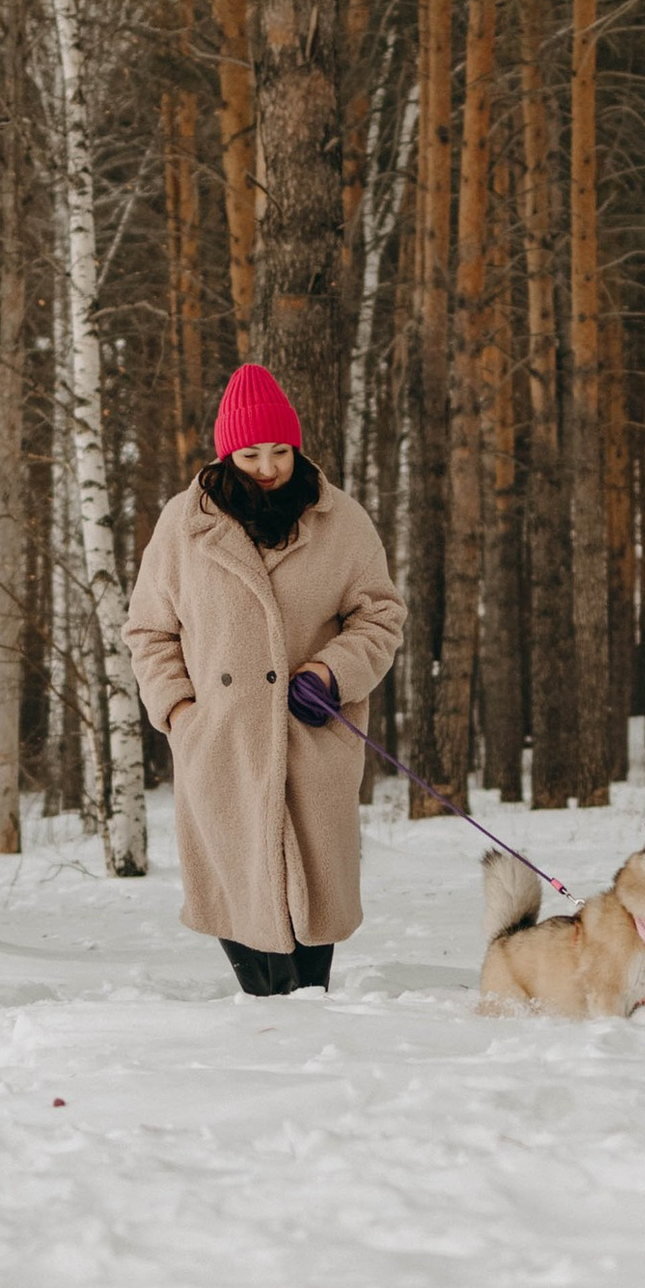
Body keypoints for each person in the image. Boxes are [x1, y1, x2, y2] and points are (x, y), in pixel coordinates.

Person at [124, 363, 404, 996]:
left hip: (311, 732)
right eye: (251, 453)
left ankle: (310, 1012)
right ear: (227, 453)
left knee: (315, 891)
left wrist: (334, 671)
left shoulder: (340, 519)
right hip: (221, 738)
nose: (269, 466)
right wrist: (179, 712)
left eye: (280, 450)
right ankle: (264, 1012)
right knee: (238, 880)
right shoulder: (184, 524)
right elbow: (149, 630)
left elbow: (381, 614)